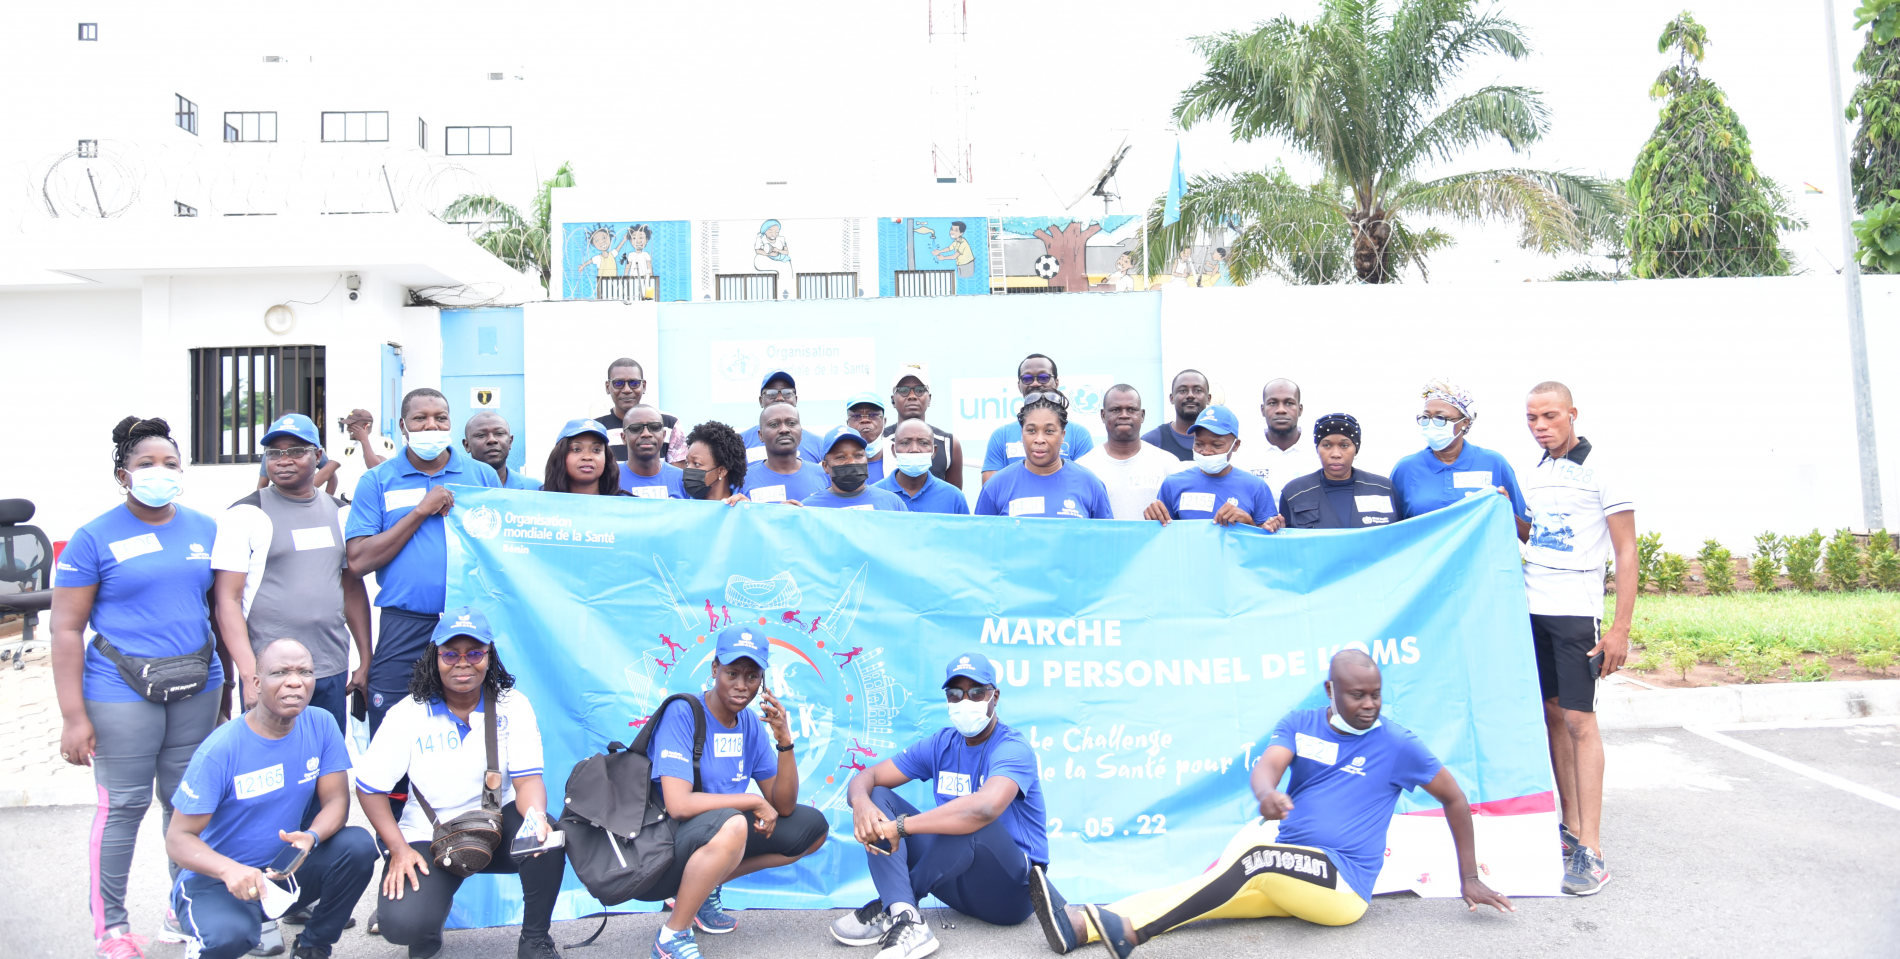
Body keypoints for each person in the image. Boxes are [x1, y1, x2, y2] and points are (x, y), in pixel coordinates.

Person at [1031, 651, 1513, 957]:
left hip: (1342, 884)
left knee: (1255, 858)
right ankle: (1082, 925)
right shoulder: (1301, 723)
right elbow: (1268, 766)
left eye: (1376, 695)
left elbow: (1454, 798)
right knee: (1204, 890)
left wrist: (1468, 875)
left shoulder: (1398, 744)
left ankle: (1134, 935)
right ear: (1330, 691)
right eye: (1357, 695)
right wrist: (1267, 794)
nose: (1369, 705)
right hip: (1293, 871)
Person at [52, 416, 225, 959]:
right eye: (146, 463)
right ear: (122, 474)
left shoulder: (205, 529)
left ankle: (183, 908)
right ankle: (112, 929)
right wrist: (74, 716)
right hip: (120, 688)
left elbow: (221, 611)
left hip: (198, 683)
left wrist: (228, 698)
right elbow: (65, 629)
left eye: (170, 463)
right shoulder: (93, 537)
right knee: (123, 806)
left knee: (187, 803)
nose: (159, 471)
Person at [354, 608, 565, 959]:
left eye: (475, 653)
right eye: (451, 654)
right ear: (434, 658)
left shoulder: (513, 705)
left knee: (548, 839)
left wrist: (536, 818)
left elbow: (528, 780)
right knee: (401, 925)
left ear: (489, 656)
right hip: (429, 836)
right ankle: (428, 927)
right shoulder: (407, 713)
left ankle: (535, 940)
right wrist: (399, 848)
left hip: (496, 825)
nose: (463, 663)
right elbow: (370, 787)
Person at [165, 639, 377, 959]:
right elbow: (178, 839)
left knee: (357, 846)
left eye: (305, 672)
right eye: (280, 672)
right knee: (230, 937)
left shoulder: (320, 723)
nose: (295, 681)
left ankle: (313, 948)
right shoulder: (221, 749)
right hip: (218, 882)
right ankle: (206, 936)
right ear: (256, 683)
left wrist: (310, 837)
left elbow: (336, 802)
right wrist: (228, 870)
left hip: (281, 870)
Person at [830, 654, 1052, 959]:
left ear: (995, 696)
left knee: (973, 819)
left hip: (1012, 894)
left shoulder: (1012, 747)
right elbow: (868, 777)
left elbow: (984, 809)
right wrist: (861, 804)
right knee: (878, 797)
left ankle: (896, 905)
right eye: (955, 694)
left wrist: (899, 827)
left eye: (977, 692)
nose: (965, 701)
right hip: (956, 885)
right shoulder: (941, 744)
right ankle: (904, 912)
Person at [641, 624, 828, 959]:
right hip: (668, 841)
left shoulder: (750, 724)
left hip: (720, 832)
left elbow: (784, 806)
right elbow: (678, 804)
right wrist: (752, 800)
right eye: (732, 673)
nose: (742, 685)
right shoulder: (683, 713)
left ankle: (703, 887)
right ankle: (671, 936)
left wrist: (785, 741)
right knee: (734, 823)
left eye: (752, 676)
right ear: (715, 669)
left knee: (812, 829)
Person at [1522, 382, 1636, 896]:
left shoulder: (1604, 470)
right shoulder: (1537, 472)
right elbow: (1539, 537)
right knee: (1552, 714)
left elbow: (1626, 551)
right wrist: (1503, 511)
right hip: (1532, 609)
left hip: (1575, 613)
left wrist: (1620, 628)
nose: (1540, 426)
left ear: (1572, 414)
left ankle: (1593, 849)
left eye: (1549, 416)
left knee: (1579, 721)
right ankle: (1569, 828)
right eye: (1531, 418)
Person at [344, 388, 502, 735]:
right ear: (403, 426)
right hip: (405, 622)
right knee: (392, 725)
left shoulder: (482, 477)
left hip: (470, 623)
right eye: (420, 418)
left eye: (440, 418)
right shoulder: (377, 481)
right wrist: (420, 511)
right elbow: (357, 562)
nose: (431, 426)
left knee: (474, 723)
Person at [212, 413, 373, 734]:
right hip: (270, 674)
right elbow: (226, 601)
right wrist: (249, 674)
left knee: (324, 754)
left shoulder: (341, 514)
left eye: (296, 451)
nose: (283, 460)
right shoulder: (245, 514)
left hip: (329, 666)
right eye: (274, 453)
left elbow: (352, 591)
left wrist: (365, 659)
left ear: (318, 455)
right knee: (270, 756)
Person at [1389, 378, 1531, 539]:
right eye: (1426, 417)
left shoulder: (1493, 463)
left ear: (1465, 422)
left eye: (1440, 418)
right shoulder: (1406, 468)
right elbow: (1390, 533)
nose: (1431, 424)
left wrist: (1504, 507)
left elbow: (1529, 535)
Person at [974, 392, 1112, 519]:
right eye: (1031, 430)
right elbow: (980, 536)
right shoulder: (995, 486)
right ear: (1021, 434)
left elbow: (1106, 536)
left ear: (1063, 436)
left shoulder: (1090, 484)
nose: (1039, 439)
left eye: (1049, 431)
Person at [1143, 406, 1282, 529]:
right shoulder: (1172, 484)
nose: (1206, 451)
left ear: (1235, 445)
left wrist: (1249, 523)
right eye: (1199, 444)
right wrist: (1153, 519)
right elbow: (1163, 535)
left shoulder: (1256, 487)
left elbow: (1267, 541)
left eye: (1216, 445)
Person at [1076, 385, 1190, 520]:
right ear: (1103, 415)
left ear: (1142, 415)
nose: (1124, 415)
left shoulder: (1168, 463)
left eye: (1131, 410)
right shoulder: (1084, 467)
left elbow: (1183, 517)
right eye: (1115, 410)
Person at [1276, 414, 1404, 529]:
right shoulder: (1294, 493)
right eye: (1326, 445)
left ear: (1356, 449)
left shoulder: (1383, 489)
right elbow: (1287, 542)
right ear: (1317, 449)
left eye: (1344, 445)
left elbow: (1401, 538)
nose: (1336, 454)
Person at [981, 355, 1094, 483]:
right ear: (1019, 385)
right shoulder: (1001, 435)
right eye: (1027, 379)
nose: (1035, 383)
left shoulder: (1079, 434)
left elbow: (1085, 484)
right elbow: (992, 488)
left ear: (1056, 382)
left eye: (1043, 377)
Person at [1230, 380, 1321, 507]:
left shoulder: (1318, 452)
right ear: (1262, 410)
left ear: (1300, 410)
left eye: (1289, 403)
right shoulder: (1244, 454)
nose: (1281, 410)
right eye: (1272, 403)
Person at [879, 365, 964, 489]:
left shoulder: (948, 443)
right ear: (893, 400)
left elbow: (953, 496)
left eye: (919, 390)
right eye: (903, 390)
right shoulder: (880, 441)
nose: (912, 396)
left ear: (929, 399)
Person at [872, 418, 972, 515]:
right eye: (905, 443)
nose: (914, 449)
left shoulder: (954, 497)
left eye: (923, 443)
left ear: (934, 451)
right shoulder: (873, 495)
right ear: (893, 450)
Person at [593, 359, 685, 464]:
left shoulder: (669, 423)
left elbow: (677, 472)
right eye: (618, 383)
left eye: (634, 383)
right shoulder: (596, 427)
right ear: (607, 387)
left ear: (643, 386)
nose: (627, 390)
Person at [739, 403, 829, 505]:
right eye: (774, 424)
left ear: (801, 432)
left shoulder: (826, 475)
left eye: (791, 423)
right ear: (760, 435)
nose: (784, 430)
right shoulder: (743, 480)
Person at [804, 426, 910, 512]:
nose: (851, 462)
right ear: (825, 466)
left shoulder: (892, 502)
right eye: (841, 457)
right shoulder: (809, 508)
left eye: (858, 455)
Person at [739, 371, 825, 463]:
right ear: (761, 401)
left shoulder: (820, 444)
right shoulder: (741, 442)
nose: (779, 398)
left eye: (787, 393)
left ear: (795, 399)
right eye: (771, 394)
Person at [538, 419, 627, 496]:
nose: (587, 457)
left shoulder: (625, 504)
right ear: (560, 456)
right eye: (576, 449)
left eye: (596, 450)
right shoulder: (540, 502)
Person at [617, 405, 689, 499]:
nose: (646, 434)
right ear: (624, 437)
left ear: (663, 435)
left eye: (654, 427)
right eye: (635, 428)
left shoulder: (682, 480)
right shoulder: (611, 478)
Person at [1141, 370, 1210, 461]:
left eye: (1198, 390)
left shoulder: (1221, 437)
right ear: (1172, 398)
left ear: (1208, 398)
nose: (1190, 395)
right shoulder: (1151, 441)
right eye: (1182, 390)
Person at [463, 411, 540, 490]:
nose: (492, 440)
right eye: (481, 435)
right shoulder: (458, 488)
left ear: (510, 441)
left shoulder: (535, 489)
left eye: (499, 433)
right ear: (467, 445)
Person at [681, 421, 752, 506]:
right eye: (687, 463)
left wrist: (746, 511)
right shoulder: (681, 508)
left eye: (697, 464)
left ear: (721, 471)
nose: (688, 469)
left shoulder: (741, 507)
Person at [334, 410, 395, 504]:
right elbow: (327, 471)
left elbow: (376, 467)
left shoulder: (382, 442)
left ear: (366, 426)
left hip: (372, 503)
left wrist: (364, 440)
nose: (348, 429)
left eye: (351, 426)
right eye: (347, 426)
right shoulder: (350, 446)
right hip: (351, 503)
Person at [843, 392, 891, 484]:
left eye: (873, 415)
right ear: (848, 423)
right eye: (856, 416)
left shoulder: (899, 458)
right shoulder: (834, 463)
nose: (865, 420)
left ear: (884, 421)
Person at [754, 219, 795, 295]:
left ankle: (785, 293)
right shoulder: (761, 238)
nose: (774, 234)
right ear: (765, 231)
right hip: (766, 259)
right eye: (770, 231)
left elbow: (786, 252)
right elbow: (757, 250)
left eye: (777, 232)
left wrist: (778, 250)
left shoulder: (781, 239)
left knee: (786, 272)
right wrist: (769, 254)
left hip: (781, 258)